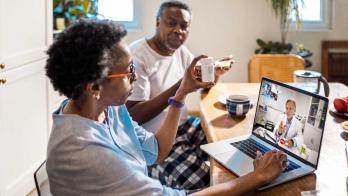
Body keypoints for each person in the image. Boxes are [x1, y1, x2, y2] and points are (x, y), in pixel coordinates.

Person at [45, 19, 287, 195]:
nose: (135, 76)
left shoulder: (106, 108)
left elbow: (155, 150)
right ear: (95, 86)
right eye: (129, 71)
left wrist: (182, 91)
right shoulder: (86, 151)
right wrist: (257, 177)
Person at [126, 1, 232, 190]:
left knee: (228, 149)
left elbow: (194, 82)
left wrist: (215, 74)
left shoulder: (180, 51)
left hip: (184, 127)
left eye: (184, 26)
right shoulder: (137, 57)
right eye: (171, 23)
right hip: (155, 140)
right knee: (206, 180)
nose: (178, 30)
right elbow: (133, 115)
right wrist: (181, 87)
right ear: (157, 22)